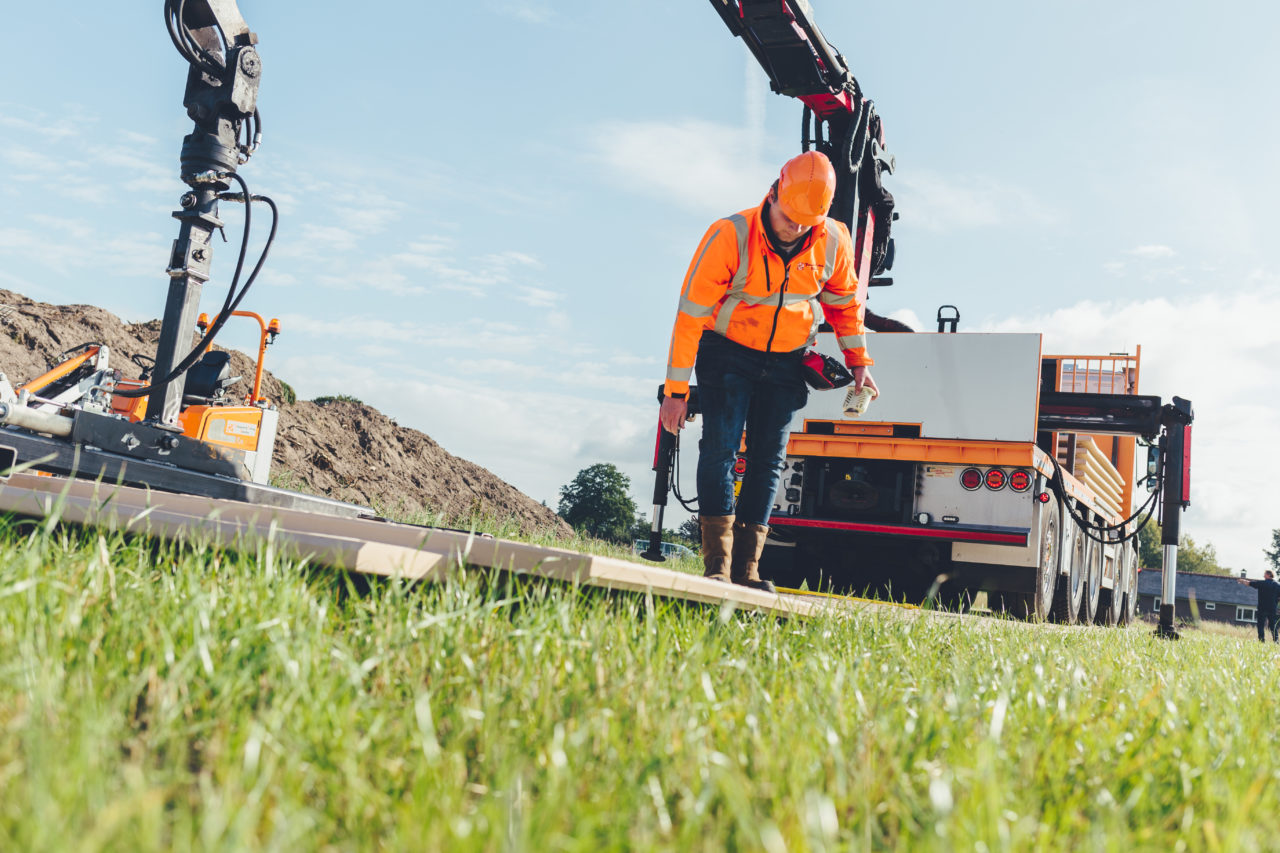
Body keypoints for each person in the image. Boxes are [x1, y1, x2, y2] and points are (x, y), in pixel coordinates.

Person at [659, 151, 878, 592]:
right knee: (720, 451)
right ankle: (717, 566)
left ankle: (748, 570)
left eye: (805, 223)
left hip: (787, 360)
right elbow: (690, 317)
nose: (794, 229)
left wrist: (859, 363)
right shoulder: (730, 235)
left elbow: (845, 307)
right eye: (788, 218)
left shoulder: (833, 240)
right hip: (727, 353)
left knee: (769, 461)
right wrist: (675, 391)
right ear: (774, 192)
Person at [1238, 570, 1280, 642]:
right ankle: (1276, 641)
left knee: (1260, 625)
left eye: (1264, 574)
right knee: (1273, 625)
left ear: (1268, 575)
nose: (1263, 576)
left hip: (1262, 608)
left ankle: (1261, 640)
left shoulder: (1262, 583)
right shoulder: (1278, 585)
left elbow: (1249, 583)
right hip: (1272, 609)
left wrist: (1242, 581)